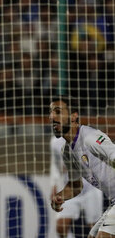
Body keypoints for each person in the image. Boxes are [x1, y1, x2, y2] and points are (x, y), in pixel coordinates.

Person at [50, 96, 115, 238]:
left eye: (57, 112)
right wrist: (60, 196)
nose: (52, 117)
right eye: (51, 112)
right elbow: (75, 185)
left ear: (74, 117)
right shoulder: (67, 152)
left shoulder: (90, 138)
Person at [51, 135, 103, 238]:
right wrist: (54, 186)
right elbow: (55, 166)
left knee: (95, 228)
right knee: (61, 226)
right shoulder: (55, 142)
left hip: (91, 188)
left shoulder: (87, 136)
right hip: (70, 189)